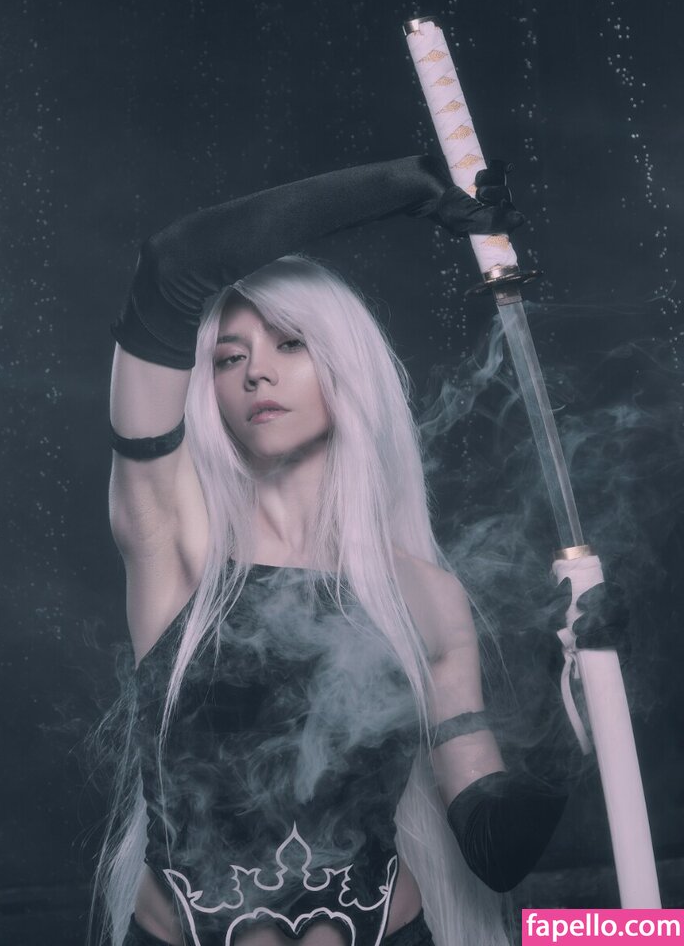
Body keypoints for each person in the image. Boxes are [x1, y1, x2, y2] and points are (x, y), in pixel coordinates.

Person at [93, 157, 612, 946]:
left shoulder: (421, 594)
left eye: (291, 343)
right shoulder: (173, 543)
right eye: (230, 357)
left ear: (345, 366)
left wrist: (576, 702)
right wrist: (407, 188)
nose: (257, 372)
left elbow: (496, 849)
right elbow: (172, 266)